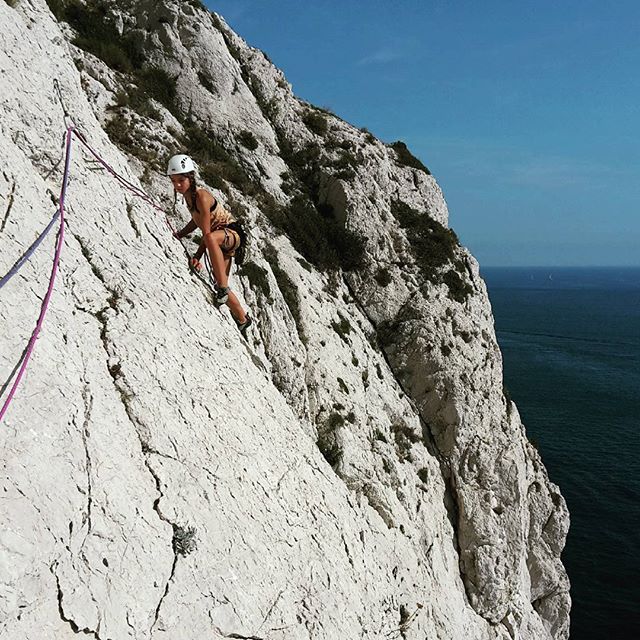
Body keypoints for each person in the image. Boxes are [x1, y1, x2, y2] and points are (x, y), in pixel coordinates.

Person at [168, 154, 252, 334]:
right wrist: (180, 234)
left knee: (221, 285)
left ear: (190, 178)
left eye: (181, 180)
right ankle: (243, 319)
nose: (177, 185)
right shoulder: (189, 199)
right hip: (220, 241)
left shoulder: (202, 197)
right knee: (222, 284)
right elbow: (196, 222)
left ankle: (222, 289)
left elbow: (207, 233)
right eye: (174, 181)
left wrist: (198, 256)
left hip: (231, 235)